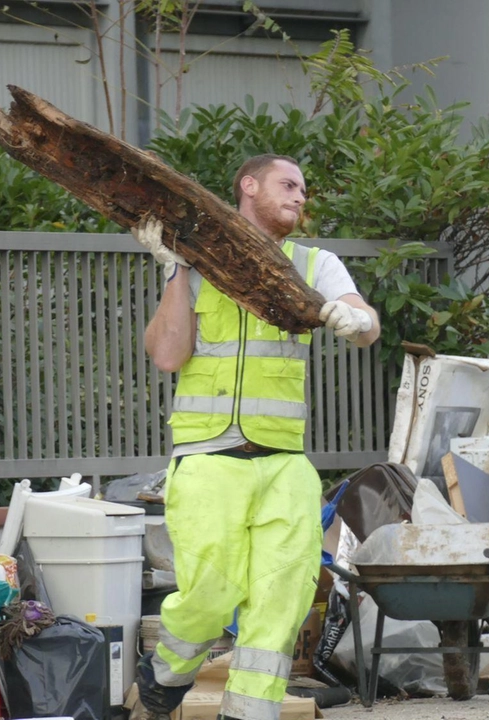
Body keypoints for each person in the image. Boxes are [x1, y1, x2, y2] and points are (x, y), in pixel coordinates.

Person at [131, 154, 380, 720]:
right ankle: (170, 665)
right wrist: (175, 270)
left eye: (303, 190)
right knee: (210, 590)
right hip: (208, 456)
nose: (299, 197)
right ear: (248, 185)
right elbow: (168, 354)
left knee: (284, 595)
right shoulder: (195, 264)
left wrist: (358, 320)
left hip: (285, 460)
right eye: (287, 185)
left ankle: (249, 713)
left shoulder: (314, 263)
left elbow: (367, 322)